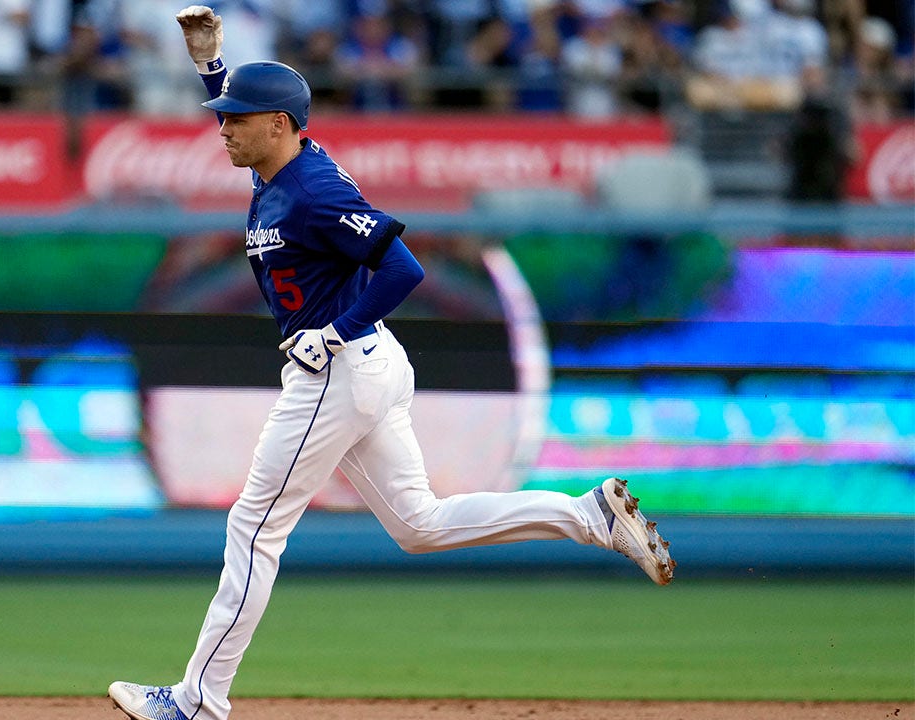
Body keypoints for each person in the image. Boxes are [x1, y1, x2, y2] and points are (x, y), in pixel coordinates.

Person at [107, 6, 676, 720]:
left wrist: (335, 333)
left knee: (254, 528)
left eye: (235, 118)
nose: (223, 127)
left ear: (278, 125)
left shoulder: (314, 189)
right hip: (366, 369)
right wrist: (211, 65)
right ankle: (589, 515)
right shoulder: (276, 169)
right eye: (222, 115)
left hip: (337, 372)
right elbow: (257, 127)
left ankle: (196, 701)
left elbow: (402, 268)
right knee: (420, 525)